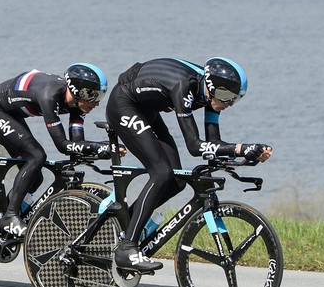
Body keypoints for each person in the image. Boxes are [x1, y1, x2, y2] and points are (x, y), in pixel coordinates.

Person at [105, 56, 271, 272]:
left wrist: (249, 154)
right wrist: (240, 148)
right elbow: (194, 146)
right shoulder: (184, 87)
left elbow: (213, 144)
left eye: (234, 100)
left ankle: (127, 225)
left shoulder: (211, 94)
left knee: (176, 182)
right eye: (226, 96)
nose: (228, 104)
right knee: (162, 173)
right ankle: (127, 248)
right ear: (212, 87)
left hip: (147, 110)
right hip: (124, 104)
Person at [0, 63, 116, 237]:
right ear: (79, 91)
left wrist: (102, 150)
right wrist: (96, 146)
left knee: (35, 179)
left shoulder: (78, 104)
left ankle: (7, 218)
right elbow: (62, 145)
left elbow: (76, 144)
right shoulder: (49, 96)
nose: (97, 102)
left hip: (12, 114)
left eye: (100, 96)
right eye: (93, 96)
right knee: (36, 156)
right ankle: (10, 217)